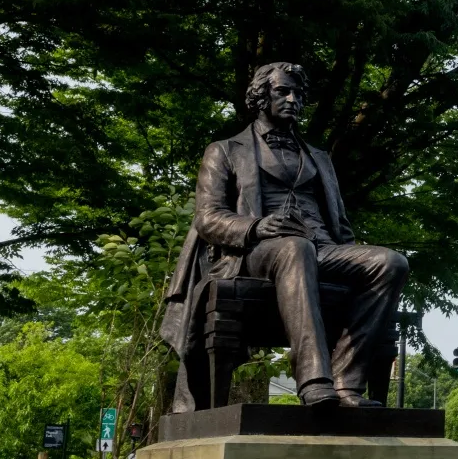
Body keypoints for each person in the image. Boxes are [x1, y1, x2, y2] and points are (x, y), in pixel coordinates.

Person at [161, 62, 409, 410]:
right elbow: (207, 218)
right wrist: (255, 226)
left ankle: (345, 383)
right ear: (262, 96)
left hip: (323, 248)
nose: (293, 99)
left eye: (299, 94)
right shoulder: (225, 150)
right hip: (257, 252)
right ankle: (313, 380)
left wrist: (346, 253)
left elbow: (340, 223)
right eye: (283, 91)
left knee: (391, 262)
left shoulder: (319, 157)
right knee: (295, 247)